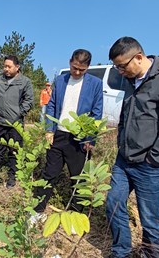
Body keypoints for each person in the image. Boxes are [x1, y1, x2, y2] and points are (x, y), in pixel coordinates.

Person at [105, 36, 159, 258]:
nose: (120, 72)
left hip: (150, 165)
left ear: (139, 57)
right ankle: (120, 252)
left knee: (149, 218)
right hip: (124, 161)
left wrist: (154, 158)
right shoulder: (131, 80)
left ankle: (150, 255)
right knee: (113, 203)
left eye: (122, 66)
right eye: (117, 67)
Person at [32, 49, 103, 216]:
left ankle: (76, 215)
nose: (77, 72)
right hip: (59, 135)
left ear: (88, 67)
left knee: (78, 178)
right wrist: (49, 129)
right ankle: (37, 211)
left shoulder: (95, 84)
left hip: (80, 139)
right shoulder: (61, 80)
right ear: (70, 62)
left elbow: (97, 112)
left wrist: (90, 139)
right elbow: (52, 105)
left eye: (81, 69)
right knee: (49, 173)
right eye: (74, 68)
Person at [0, 55, 34, 187]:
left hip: (15, 125)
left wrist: (18, 113)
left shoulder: (25, 82)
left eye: (9, 66)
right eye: (4, 66)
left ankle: (12, 177)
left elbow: (29, 101)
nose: (6, 69)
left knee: (15, 151)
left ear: (17, 67)